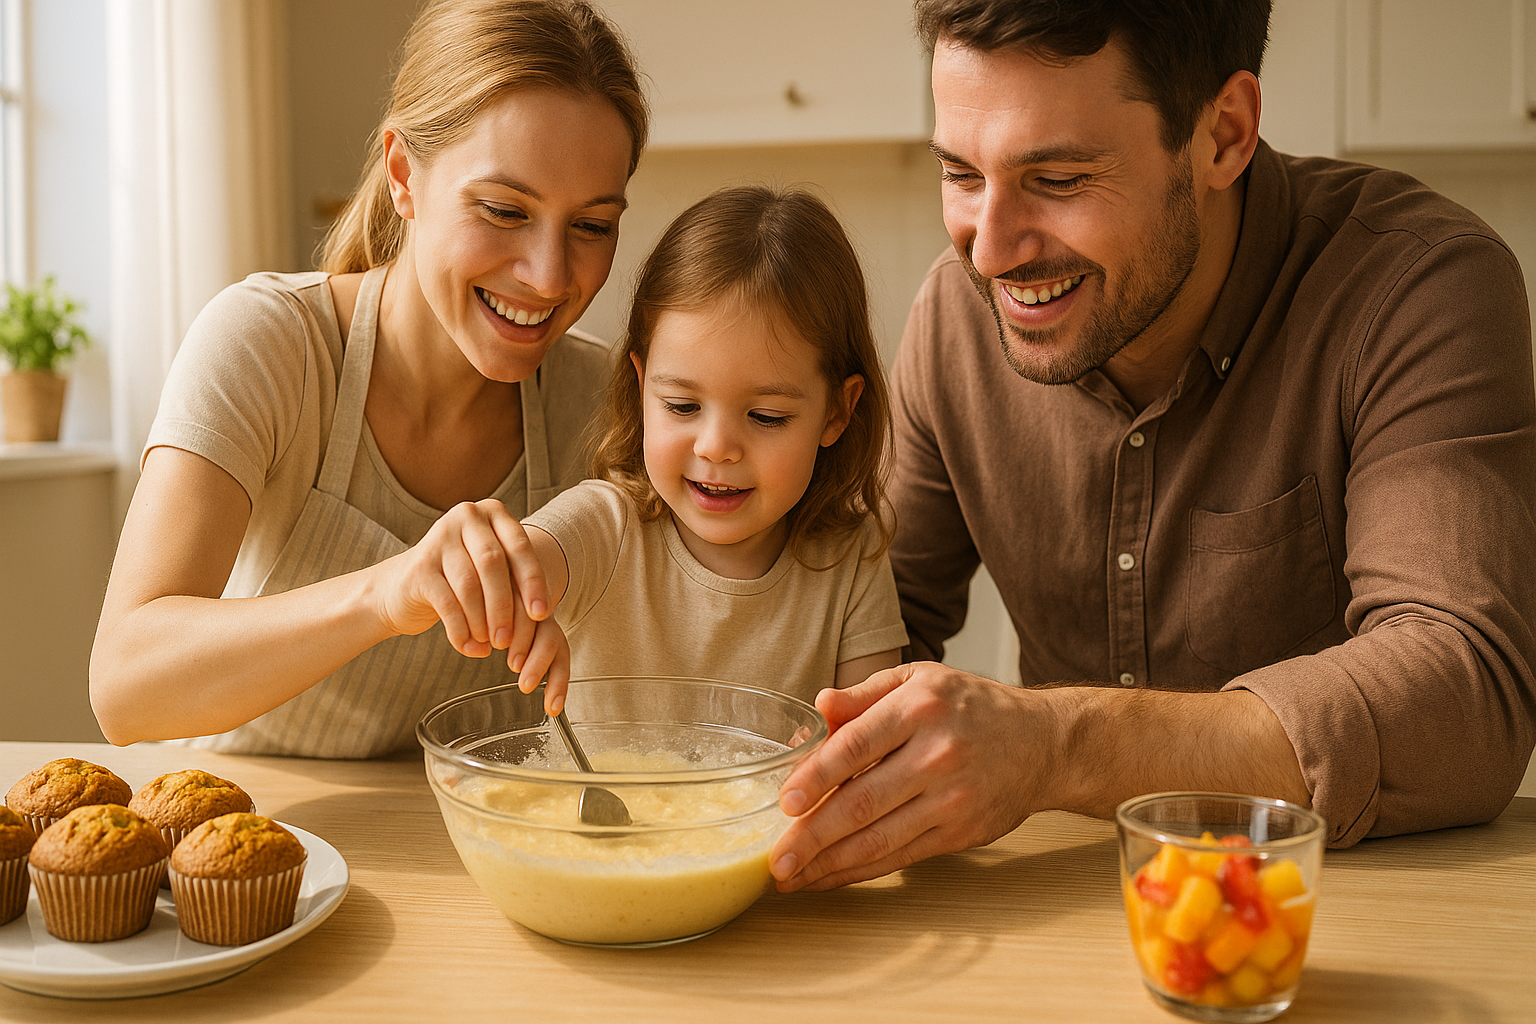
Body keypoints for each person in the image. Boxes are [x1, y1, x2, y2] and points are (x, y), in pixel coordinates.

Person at [769, 0, 1536, 892]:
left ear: (1223, 134)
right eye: (961, 174)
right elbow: (861, 621)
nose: (990, 252)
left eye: (1056, 179)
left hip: (1353, 915)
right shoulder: (957, 319)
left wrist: (1054, 745)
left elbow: (1464, 692)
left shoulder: (1419, 287)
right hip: (1061, 907)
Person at [88, 0, 648, 758]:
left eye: (591, 225)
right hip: (259, 836)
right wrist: (387, 593)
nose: (549, 277)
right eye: (503, 210)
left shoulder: (600, 399)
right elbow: (125, 687)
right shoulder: (272, 344)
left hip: (463, 858)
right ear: (402, 177)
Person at [508, 184, 907, 713]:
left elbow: (870, 737)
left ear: (836, 411)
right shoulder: (603, 526)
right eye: (681, 406)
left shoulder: (851, 559)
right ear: (642, 385)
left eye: (767, 417)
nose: (717, 447)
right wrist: (516, 595)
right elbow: (517, 566)